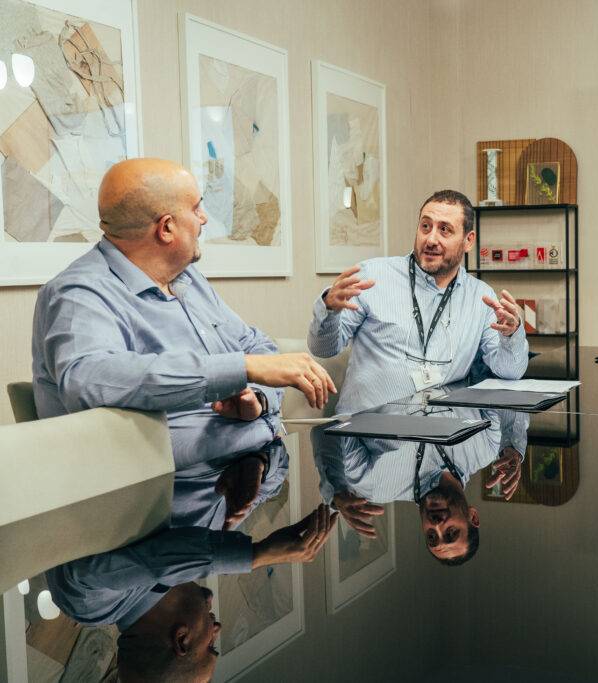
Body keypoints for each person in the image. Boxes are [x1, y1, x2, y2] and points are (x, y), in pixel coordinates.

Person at [31, 158, 336, 472]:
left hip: (253, 470)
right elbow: (88, 378)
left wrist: (256, 398)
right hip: (167, 497)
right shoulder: (79, 292)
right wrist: (240, 368)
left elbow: (258, 347)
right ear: (166, 228)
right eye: (196, 208)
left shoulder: (188, 279)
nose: (203, 218)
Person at [46, 505, 337, 682]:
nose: (218, 629)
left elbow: (151, 557)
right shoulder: (195, 552)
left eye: (211, 647)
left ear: (182, 640)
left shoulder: (88, 602)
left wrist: (255, 556)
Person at [307, 189, 528, 413]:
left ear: (468, 241)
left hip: (442, 433)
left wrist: (511, 334)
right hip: (369, 434)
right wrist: (330, 309)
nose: (431, 239)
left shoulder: (481, 297)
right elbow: (323, 349)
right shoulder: (371, 278)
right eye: (425, 226)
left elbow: (510, 371)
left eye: (445, 230)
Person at [312, 403, 528, 565]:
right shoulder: (486, 450)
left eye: (432, 536)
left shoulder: (375, 486)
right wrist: (513, 446)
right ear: (473, 516)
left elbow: (327, 429)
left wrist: (337, 491)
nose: (437, 524)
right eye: (451, 533)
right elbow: (503, 384)